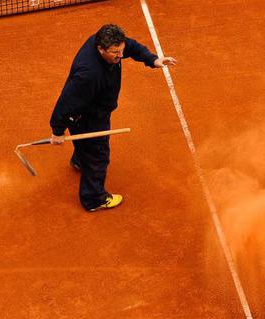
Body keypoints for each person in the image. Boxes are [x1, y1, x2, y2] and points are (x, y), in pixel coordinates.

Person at [48, 24, 176, 212]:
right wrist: (57, 131)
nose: (120, 56)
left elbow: (130, 46)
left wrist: (153, 59)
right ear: (101, 49)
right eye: (115, 53)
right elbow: (66, 103)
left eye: (121, 51)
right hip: (87, 117)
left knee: (88, 150)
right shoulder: (88, 74)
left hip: (97, 108)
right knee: (98, 155)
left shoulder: (108, 44)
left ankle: (79, 161)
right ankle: (93, 199)